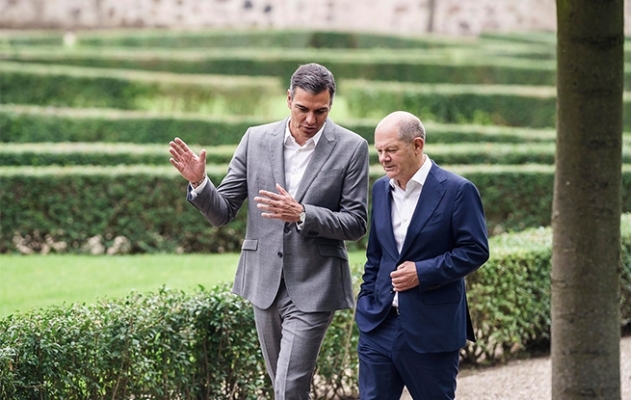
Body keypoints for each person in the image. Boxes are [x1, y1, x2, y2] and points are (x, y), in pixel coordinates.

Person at [168, 63, 370, 400]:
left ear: (331, 105)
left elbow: (356, 223)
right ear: (288, 98)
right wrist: (199, 182)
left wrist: (304, 213)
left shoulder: (352, 147)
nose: (310, 120)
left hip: (316, 283)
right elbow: (222, 212)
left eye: (320, 111)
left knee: (289, 386)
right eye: (302, 109)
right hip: (264, 281)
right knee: (284, 386)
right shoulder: (256, 139)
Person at [355, 111, 490, 399]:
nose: (384, 158)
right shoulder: (381, 189)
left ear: (417, 145)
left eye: (391, 150)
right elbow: (376, 256)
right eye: (379, 151)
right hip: (378, 324)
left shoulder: (458, 190)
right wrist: (366, 301)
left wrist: (422, 272)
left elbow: (475, 250)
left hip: (432, 329)